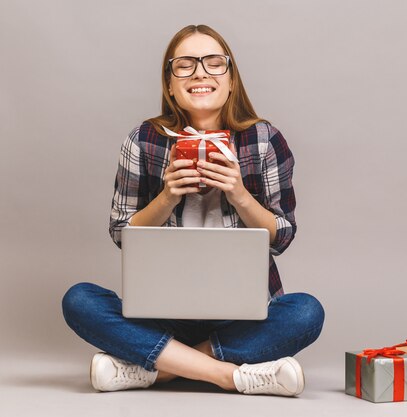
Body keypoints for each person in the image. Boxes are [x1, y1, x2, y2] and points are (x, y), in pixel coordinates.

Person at [61, 24, 324, 397]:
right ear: (170, 84)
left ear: (231, 80)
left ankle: (156, 369)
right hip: (161, 314)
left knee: (305, 313)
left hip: (241, 315)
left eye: (214, 63)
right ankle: (229, 375)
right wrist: (167, 195)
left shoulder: (264, 140)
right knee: (79, 300)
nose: (200, 72)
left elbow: (281, 236)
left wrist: (240, 195)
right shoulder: (143, 140)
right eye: (184, 65)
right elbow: (122, 233)